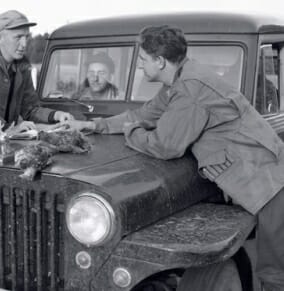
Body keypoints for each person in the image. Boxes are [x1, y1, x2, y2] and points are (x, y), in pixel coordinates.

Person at [66, 25, 284, 290]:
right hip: (254, 174)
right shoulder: (179, 81)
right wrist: (96, 126)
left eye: (143, 59)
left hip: (267, 179)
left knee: (274, 270)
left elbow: (166, 146)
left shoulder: (190, 89)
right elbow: (143, 115)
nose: (139, 66)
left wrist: (131, 132)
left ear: (160, 61)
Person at [0, 10, 73, 137]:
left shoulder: (23, 65)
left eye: (26, 37)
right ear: (0, 38)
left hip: (4, 140)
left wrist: (56, 115)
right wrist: (6, 128)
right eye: (18, 37)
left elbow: (30, 109)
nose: (24, 44)